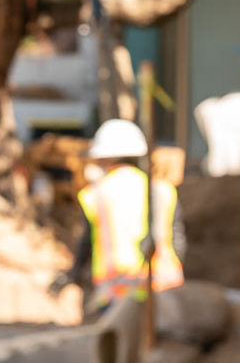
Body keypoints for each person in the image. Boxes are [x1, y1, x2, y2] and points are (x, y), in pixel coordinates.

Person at [51, 119, 185, 315]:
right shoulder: (164, 190)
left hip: (117, 291)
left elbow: (86, 243)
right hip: (164, 289)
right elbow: (178, 242)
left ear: (103, 158)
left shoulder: (96, 194)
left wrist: (73, 275)